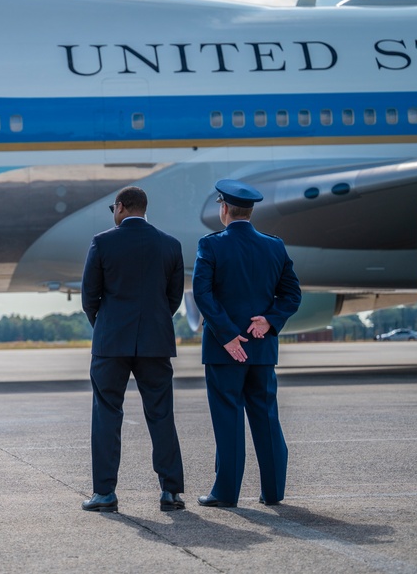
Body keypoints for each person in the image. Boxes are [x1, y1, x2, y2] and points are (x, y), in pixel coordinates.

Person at [192, 179, 302, 508]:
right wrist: (269, 320)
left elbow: (202, 293)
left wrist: (226, 335)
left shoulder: (210, 245)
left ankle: (225, 494)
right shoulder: (275, 246)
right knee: (267, 419)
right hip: (262, 348)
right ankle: (273, 492)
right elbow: (292, 294)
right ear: (251, 211)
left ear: (224, 209)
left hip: (225, 353)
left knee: (228, 421)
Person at [80, 186, 186, 513]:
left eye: (113, 206)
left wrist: (107, 325)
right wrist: (151, 322)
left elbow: (89, 297)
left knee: (107, 415)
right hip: (155, 342)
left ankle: (105, 494)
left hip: (111, 344)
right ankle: (170, 492)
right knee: (161, 415)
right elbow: (174, 298)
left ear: (122, 207)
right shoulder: (170, 245)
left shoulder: (102, 242)